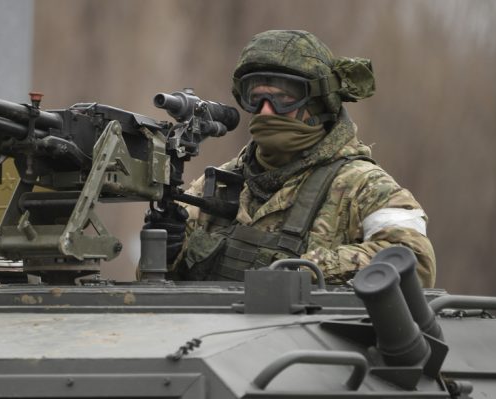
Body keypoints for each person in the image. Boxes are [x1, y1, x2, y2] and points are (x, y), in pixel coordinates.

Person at [146, 29, 436, 287]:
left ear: (319, 103)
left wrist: (304, 271)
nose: (266, 111)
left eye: (283, 98)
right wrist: (164, 252)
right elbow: (161, 290)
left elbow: (415, 261)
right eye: (256, 98)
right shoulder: (217, 184)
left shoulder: (364, 187)